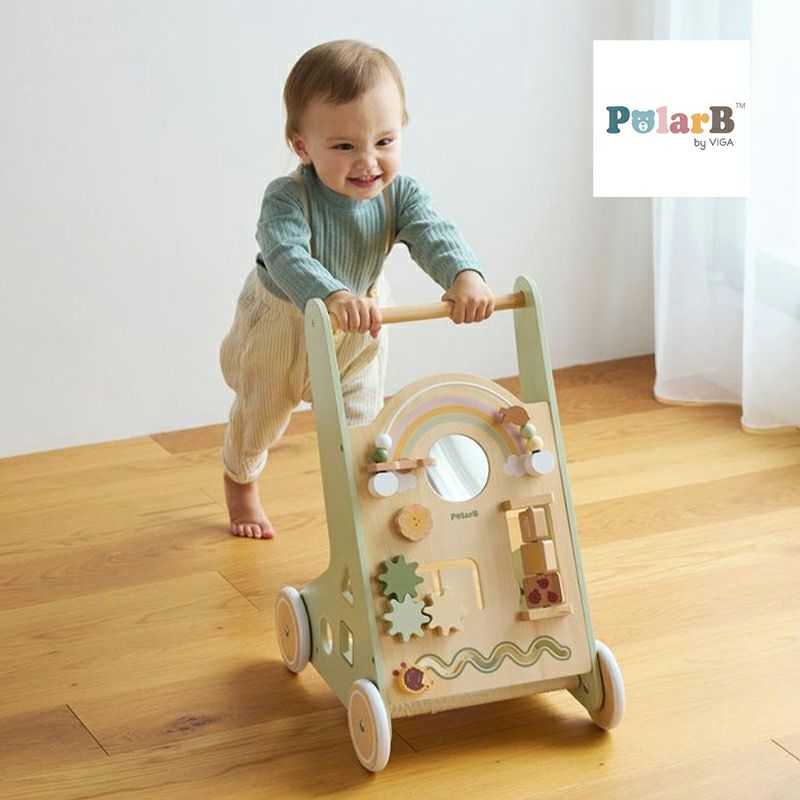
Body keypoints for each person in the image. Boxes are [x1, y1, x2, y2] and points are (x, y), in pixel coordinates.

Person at [220, 39, 495, 539]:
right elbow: (286, 254)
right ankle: (241, 483)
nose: (368, 162)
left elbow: (433, 233)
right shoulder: (287, 197)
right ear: (302, 146)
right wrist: (330, 294)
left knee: (362, 427)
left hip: (360, 326)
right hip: (284, 324)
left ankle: (363, 508)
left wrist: (464, 275)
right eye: (345, 147)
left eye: (384, 141)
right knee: (261, 416)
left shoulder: (401, 194)